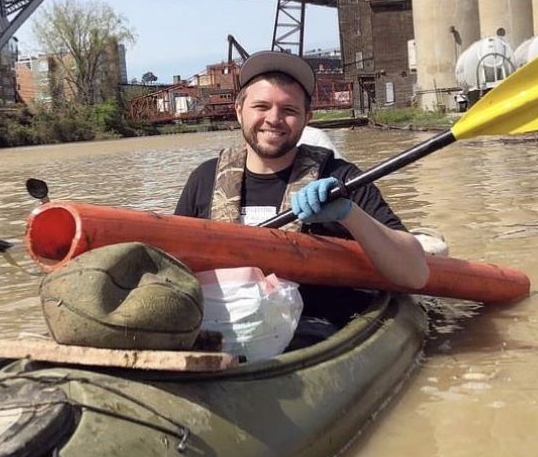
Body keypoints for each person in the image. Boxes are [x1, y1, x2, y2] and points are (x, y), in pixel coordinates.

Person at [175, 51, 430, 305]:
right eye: (261, 106)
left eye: (289, 110)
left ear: (307, 118)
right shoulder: (204, 179)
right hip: (222, 327)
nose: (274, 119)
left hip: (320, 330)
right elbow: (173, 268)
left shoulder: (341, 179)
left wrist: (349, 214)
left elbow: (415, 274)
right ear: (239, 111)